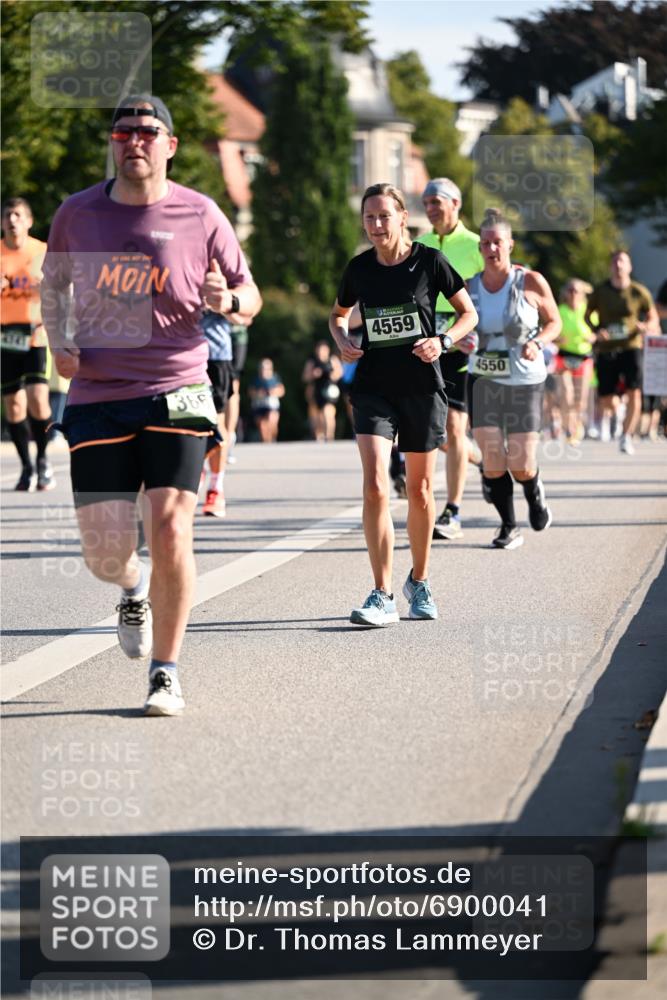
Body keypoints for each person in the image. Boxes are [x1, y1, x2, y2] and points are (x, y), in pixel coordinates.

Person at [41, 94, 261, 716]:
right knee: (105, 554)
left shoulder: (201, 212)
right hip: (98, 394)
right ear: (113, 144)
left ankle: (166, 670)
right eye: (123, 132)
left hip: (179, 387)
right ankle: (132, 586)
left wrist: (228, 302)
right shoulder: (77, 212)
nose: (133, 140)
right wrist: (58, 342)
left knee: (170, 527)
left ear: (170, 144)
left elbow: (250, 294)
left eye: (146, 131)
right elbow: (53, 286)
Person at [330, 182, 477, 626]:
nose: (376, 224)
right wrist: (342, 340)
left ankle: (420, 580)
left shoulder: (429, 261)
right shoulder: (359, 268)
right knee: (376, 484)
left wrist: (443, 341)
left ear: (402, 217)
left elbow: (468, 313)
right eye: (369, 217)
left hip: (421, 386)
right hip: (373, 387)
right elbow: (337, 315)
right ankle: (382, 593)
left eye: (384, 216)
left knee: (420, 490)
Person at [466, 208, 561, 550]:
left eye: (498, 242)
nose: (492, 249)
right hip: (483, 379)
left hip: (524, 380)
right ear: (480, 247)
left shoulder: (530, 281)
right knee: (492, 461)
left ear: (510, 245)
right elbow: (460, 323)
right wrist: (461, 339)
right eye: (486, 243)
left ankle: (533, 491)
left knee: (520, 464)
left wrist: (538, 343)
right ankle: (509, 526)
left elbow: (554, 322)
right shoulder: (470, 287)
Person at [416, 178, 484, 541]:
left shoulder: (476, 245)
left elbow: (496, 288)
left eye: (436, 202)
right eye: (426, 202)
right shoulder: (420, 244)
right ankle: (479, 458)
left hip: (460, 345)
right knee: (428, 427)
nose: (430, 208)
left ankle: (452, 510)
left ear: (455, 204)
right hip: (424, 344)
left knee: (456, 427)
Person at [1, 197, 55, 491]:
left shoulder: (42, 251)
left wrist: (47, 288)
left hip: (35, 333)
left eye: (18, 215)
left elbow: (64, 290)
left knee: (37, 398)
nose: (12, 220)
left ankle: (43, 459)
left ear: (29, 221)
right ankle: (26, 467)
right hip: (5, 335)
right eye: (8, 215)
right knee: (13, 405)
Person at [586, 250, 658, 455]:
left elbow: (652, 316)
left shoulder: (638, 291)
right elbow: (587, 315)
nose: (618, 265)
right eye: (615, 262)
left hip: (631, 346)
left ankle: (626, 436)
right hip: (607, 348)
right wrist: (596, 330)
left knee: (634, 391)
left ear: (629, 266)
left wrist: (646, 326)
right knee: (606, 398)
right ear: (611, 266)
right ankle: (619, 411)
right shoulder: (601, 291)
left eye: (622, 261)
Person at [200, 310, 235, 517]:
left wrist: (224, 301)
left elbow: (247, 311)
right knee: (182, 422)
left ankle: (216, 487)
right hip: (178, 355)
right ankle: (195, 469)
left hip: (216, 354)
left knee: (216, 421)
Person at [555, 279, 596, 444]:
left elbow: (597, 331)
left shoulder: (589, 311)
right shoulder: (560, 311)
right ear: (565, 293)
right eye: (570, 290)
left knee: (580, 397)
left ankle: (577, 424)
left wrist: (592, 337)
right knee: (566, 393)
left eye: (576, 291)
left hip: (583, 356)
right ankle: (569, 428)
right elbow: (552, 330)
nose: (573, 294)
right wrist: (558, 339)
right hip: (564, 355)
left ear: (582, 294)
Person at [302, 340, 343, 441]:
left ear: (327, 350)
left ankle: (329, 436)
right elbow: (305, 377)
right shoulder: (312, 362)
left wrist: (332, 375)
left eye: (323, 350)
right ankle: (319, 435)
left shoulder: (332, 360)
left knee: (328, 412)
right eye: (319, 350)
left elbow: (340, 373)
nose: (321, 352)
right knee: (317, 415)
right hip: (316, 390)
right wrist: (313, 374)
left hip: (329, 391)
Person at [225, 320, 249, 462]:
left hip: (236, 336)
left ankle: (229, 437)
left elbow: (250, 315)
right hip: (211, 334)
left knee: (232, 388)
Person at [249, 358, 284, 442]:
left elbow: (282, 391)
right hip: (259, 405)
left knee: (272, 421)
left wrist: (273, 392)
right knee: (262, 426)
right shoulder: (256, 380)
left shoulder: (275, 378)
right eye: (262, 368)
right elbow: (250, 392)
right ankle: (266, 442)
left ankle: (273, 439)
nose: (264, 371)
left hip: (272, 405)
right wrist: (258, 393)